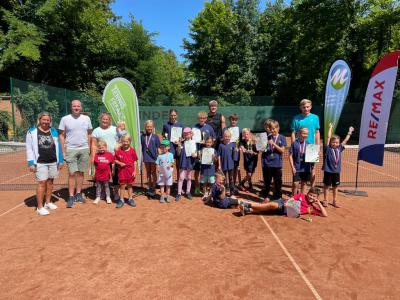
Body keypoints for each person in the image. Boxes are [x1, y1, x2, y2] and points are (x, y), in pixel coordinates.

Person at [26, 112, 64, 216]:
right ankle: (39, 207)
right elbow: (29, 148)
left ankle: (47, 202)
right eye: (44, 120)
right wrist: (30, 163)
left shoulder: (53, 131)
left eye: (48, 120)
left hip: (53, 161)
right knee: (42, 183)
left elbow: (58, 147)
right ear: (39, 120)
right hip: (40, 162)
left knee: (51, 181)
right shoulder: (32, 132)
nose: (46, 122)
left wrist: (61, 160)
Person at [59, 99, 92, 208]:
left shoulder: (86, 118)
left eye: (78, 106)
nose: (76, 108)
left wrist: (89, 148)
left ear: (81, 107)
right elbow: (61, 135)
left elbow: (89, 134)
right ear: (71, 107)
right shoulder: (65, 119)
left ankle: (78, 193)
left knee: (81, 173)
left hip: (84, 149)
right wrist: (63, 151)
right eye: (74, 106)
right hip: (71, 149)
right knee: (72, 173)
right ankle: (71, 196)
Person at [322, 123, 354, 208]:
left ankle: (335, 200)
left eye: (337, 142)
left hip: (336, 171)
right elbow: (328, 137)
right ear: (330, 143)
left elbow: (345, 141)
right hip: (328, 171)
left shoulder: (339, 148)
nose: (335, 144)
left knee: (335, 187)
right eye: (333, 142)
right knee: (326, 186)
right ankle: (325, 200)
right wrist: (330, 128)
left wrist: (349, 132)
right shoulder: (327, 149)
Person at [239, 187, 327, 217]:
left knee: (267, 209)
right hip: (283, 203)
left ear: (317, 198)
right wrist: (288, 202)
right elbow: (292, 199)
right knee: (272, 205)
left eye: (313, 196)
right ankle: (247, 204)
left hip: (285, 211)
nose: (311, 197)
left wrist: (318, 203)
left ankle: (247, 209)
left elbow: (324, 215)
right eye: (310, 194)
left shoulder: (312, 208)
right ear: (307, 193)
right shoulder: (301, 195)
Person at [291, 99, 320, 187]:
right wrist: (294, 145)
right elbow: (293, 132)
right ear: (300, 108)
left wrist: (317, 146)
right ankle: (296, 190)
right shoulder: (296, 118)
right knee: (298, 168)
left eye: (307, 107)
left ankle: (312, 189)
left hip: (311, 147)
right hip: (299, 146)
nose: (306, 109)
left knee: (312, 168)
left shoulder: (315, 117)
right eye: (304, 107)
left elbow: (317, 132)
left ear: (310, 107)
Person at [91, 112, 119, 201]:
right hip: (101, 158)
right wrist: (93, 157)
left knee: (115, 176)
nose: (105, 121)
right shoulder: (96, 130)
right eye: (103, 119)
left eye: (107, 119)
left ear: (109, 120)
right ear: (101, 119)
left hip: (114, 157)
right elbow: (94, 145)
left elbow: (122, 139)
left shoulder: (115, 129)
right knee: (101, 176)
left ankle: (115, 193)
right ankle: (102, 193)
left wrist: (118, 146)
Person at [262, 120, 286, 200]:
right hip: (267, 163)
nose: (273, 130)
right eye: (271, 129)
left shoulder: (282, 137)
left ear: (278, 128)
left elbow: (282, 150)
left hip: (277, 164)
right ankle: (266, 196)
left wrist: (273, 144)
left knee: (278, 182)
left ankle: (278, 197)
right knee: (267, 182)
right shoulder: (265, 137)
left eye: (275, 128)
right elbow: (261, 150)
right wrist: (261, 144)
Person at [193, 111, 215, 195]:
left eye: (203, 118)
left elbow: (214, 139)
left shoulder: (209, 127)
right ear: (198, 119)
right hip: (197, 152)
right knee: (197, 171)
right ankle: (197, 187)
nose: (201, 119)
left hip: (207, 153)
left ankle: (207, 189)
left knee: (206, 171)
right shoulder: (195, 127)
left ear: (206, 119)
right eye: (200, 118)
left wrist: (207, 143)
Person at [114, 135, 138, 208]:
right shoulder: (118, 151)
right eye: (124, 141)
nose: (125, 143)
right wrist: (120, 163)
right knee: (122, 186)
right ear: (121, 142)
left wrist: (135, 171)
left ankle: (130, 199)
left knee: (130, 186)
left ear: (130, 142)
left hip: (130, 172)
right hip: (122, 172)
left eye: (127, 141)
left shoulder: (132, 150)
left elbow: (135, 161)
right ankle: (121, 200)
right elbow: (114, 160)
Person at [176, 127, 197, 201]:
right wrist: (179, 146)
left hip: (190, 162)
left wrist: (195, 154)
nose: (187, 135)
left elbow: (195, 154)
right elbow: (178, 154)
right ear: (183, 135)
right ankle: (179, 193)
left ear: (191, 134)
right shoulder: (181, 142)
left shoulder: (193, 143)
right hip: (183, 162)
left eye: (188, 134)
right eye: (185, 134)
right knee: (181, 178)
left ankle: (188, 192)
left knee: (189, 178)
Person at [289, 127, 312, 195]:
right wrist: (292, 167)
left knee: (304, 183)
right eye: (304, 133)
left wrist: (315, 155)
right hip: (297, 167)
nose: (305, 135)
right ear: (299, 133)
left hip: (306, 168)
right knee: (295, 183)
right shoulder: (294, 143)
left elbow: (312, 158)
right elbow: (290, 156)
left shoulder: (309, 144)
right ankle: (294, 198)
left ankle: (302, 198)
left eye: (307, 134)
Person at [141, 120, 160, 198]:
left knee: (153, 172)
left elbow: (158, 148)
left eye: (150, 126)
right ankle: (149, 187)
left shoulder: (155, 136)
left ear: (153, 127)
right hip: (146, 157)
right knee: (148, 172)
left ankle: (154, 187)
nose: (149, 128)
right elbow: (141, 146)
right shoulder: (142, 136)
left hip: (154, 158)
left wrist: (159, 158)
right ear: (145, 127)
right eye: (147, 126)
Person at [162, 109, 184, 175]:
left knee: (178, 165)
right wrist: (166, 144)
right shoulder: (165, 125)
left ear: (177, 115)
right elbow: (164, 136)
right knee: (169, 165)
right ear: (169, 115)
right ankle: (169, 183)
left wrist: (180, 141)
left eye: (174, 115)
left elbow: (183, 137)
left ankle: (179, 183)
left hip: (178, 147)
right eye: (172, 115)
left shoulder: (180, 125)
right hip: (170, 147)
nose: (173, 117)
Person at [93, 140, 114, 205]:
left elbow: (113, 163)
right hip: (98, 174)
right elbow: (95, 165)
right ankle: (98, 197)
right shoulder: (96, 155)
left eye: (103, 147)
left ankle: (108, 197)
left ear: (106, 147)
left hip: (106, 174)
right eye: (100, 148)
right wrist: (94, 173)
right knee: (98, 186)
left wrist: (113, 171)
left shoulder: (109, 155)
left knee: (106, 186)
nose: (101, 149)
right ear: (98, 148)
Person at [224, 113, 241, 192]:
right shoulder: (226, 129)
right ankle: (227, 184)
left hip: (236, 151)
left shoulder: (239, 129)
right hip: (228, 151)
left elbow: (242, 141)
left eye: (235, 120)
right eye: (232, 119)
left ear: (237, 121)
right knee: (228, 168)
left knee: (235, 168)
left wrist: (240, 147)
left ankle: (233, 185)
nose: (233, 121)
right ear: (230, 120)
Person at [238, 128, 258, 192]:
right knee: (249, 174)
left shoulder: (253, 141)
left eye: (247, 134)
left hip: (254, 159)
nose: (246, 135)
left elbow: (257, 151)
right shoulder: (242, 142)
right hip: (247, 160)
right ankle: (241, 184)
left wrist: (254, 152)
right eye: (245, 134)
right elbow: (243, 149)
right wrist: (247, 151)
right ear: (243, 135)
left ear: (249, 134)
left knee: (251, 174)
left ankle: (250, 185)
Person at [218, 130, 236, 196]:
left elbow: (234, 155)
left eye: (228, 136)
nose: (227, 138)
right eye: (225, 136)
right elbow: (219, 155)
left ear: (230, 137)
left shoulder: (233, 145)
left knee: (231, 178)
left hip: (231, 164)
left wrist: (236, 164)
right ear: (223, 137)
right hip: (224, 164)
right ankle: (226, 190)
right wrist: (219, 165)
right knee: (224, 178)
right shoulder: (220, 145)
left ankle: (232, 190)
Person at [200, 136, 218, 201]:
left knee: (211, 183)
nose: (208, 144)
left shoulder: (214, 150)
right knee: (204, 183)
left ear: (212, 143)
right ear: (205, 142)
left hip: (211, 170)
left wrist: (214, 157)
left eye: (210, 142)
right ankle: (205, 194)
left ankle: (211, 194)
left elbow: (216, 160)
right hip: (204, 170)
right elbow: (200, 158)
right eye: (207, 142)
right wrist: (200, 155)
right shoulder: (202, 150)